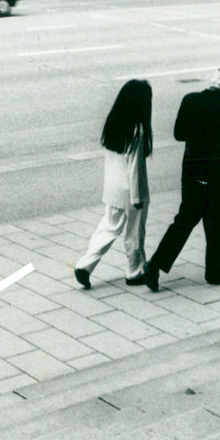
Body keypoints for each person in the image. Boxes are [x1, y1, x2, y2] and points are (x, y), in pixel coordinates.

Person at [144, 66, 220, 292]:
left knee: (185, 218)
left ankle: (156, 264)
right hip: (217, 176)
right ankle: (216, 270)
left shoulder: (190, 100)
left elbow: (179, 133)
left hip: (193, 173)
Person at [74, 79, 153, 290]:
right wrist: (137, 198)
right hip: (131, 191)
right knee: (135, 233)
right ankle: (135, 271)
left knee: (108, 227)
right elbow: (135, 167)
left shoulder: (114, 124)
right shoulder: (137, 129)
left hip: (113, 189)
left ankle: (85, 264)